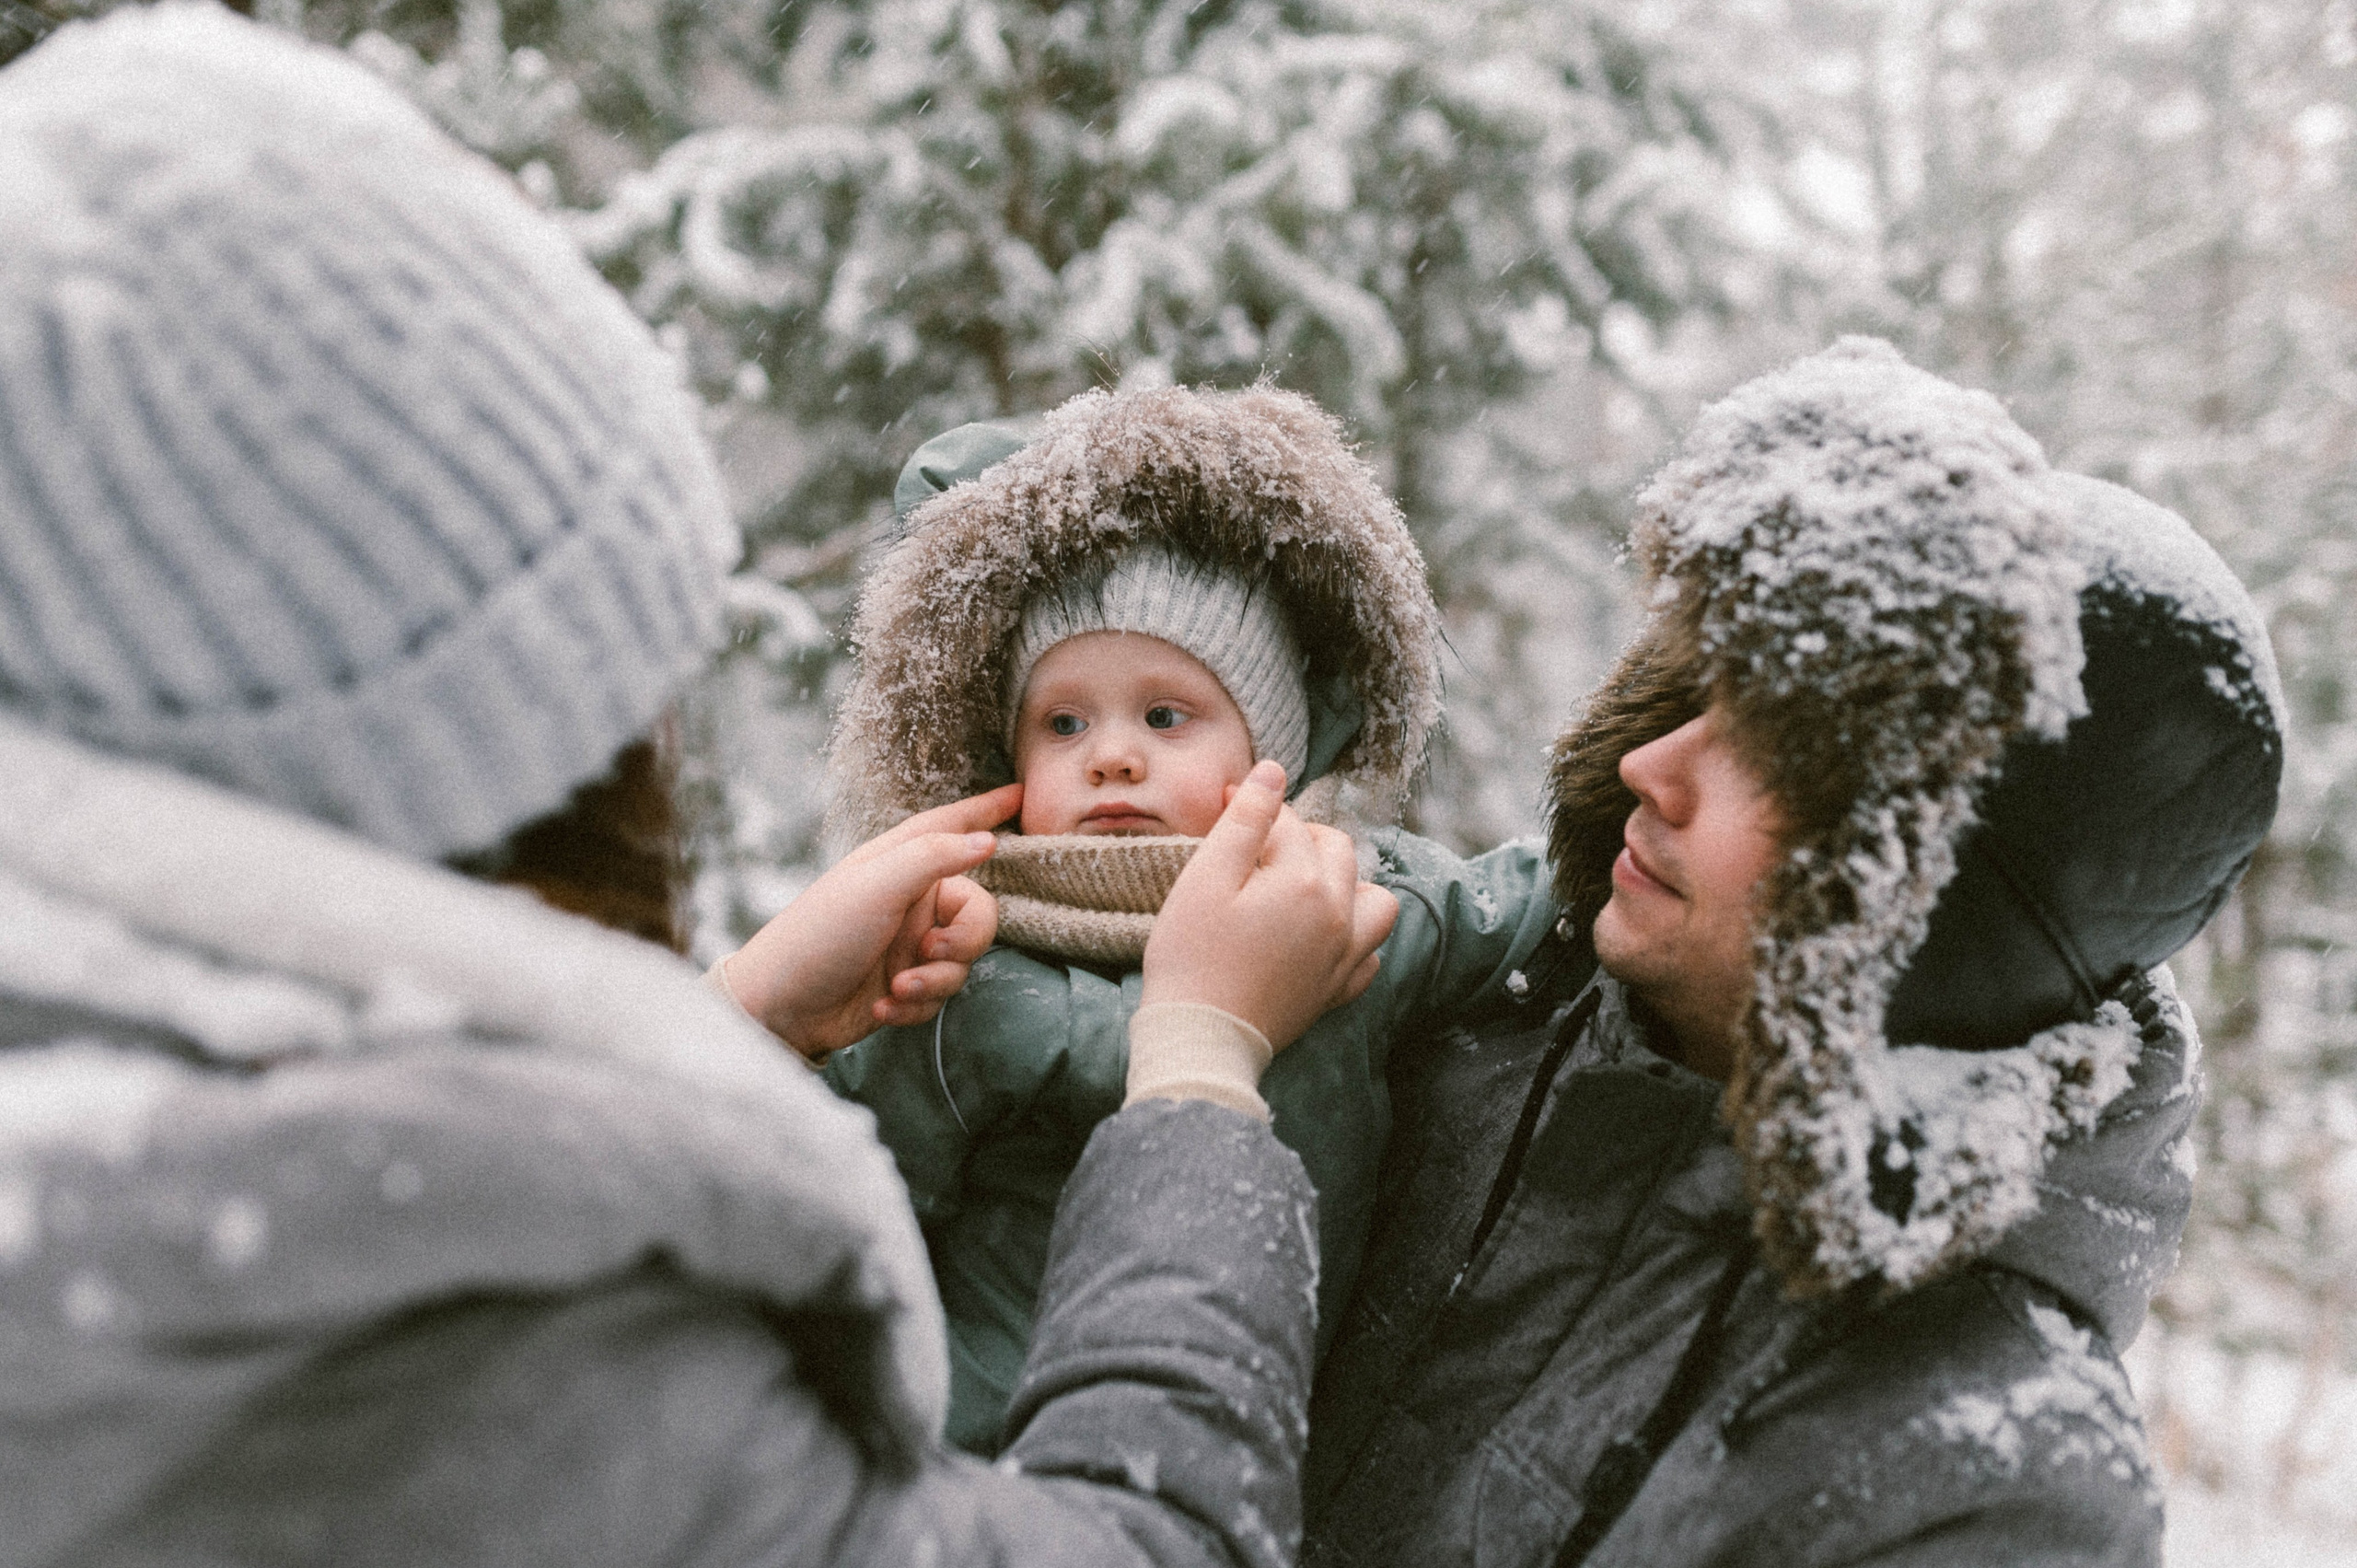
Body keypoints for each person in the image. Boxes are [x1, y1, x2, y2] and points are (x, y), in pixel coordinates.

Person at [0, 9, 1391, 1565]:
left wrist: (733, 1026)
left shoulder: (114, 1176)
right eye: (639, 665)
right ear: (503, 743)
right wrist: (1200, 1065)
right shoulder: (505, 1364)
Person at [1297, 337, 2283, 1567]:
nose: (1649, 766)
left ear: (1927, 905)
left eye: (1779, 752)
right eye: (1692, 688)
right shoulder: (1432, 1025)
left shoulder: (1990, 1484)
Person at [720, 385, 1564, 1450]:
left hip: (1252, 1436)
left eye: (1166, 715)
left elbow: (1541, 896)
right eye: (1063, 720)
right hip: (994, 1447)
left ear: (1276, 748)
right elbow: (838, 1206)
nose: (1111, 752)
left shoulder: (1343, 898)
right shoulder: (962, 955)